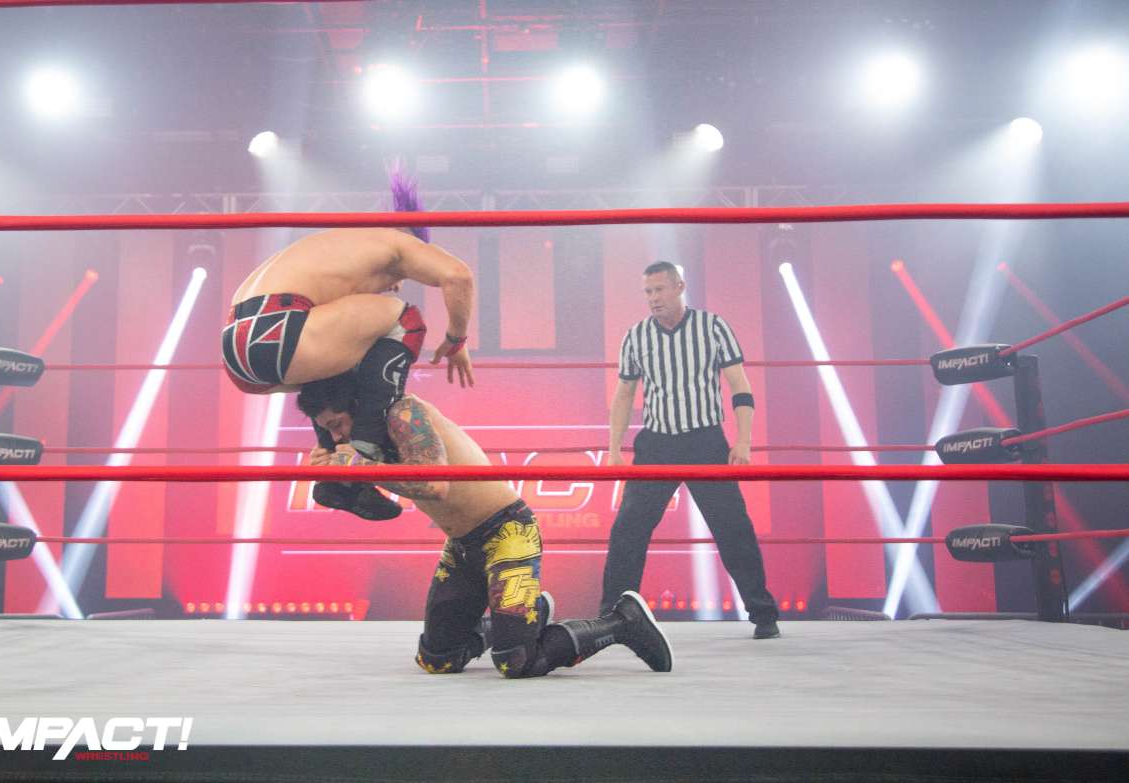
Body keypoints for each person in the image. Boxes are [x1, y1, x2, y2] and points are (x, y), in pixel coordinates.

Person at [296, 372, 674, 678]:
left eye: (337, 424)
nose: (337, 436)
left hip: (507, 532)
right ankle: (526, 616)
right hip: (462, 547)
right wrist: (337, 478)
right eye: (327, 429)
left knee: (517, 661)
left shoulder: (404, 412)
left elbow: (435, 485)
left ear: (358, 406)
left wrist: (359, 468)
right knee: (437, 660)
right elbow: (384, 510)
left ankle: (622, 621)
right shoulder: (370, 439)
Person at [222, 171, 475, 519]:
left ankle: (332, 462)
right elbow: (458, 275)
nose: (396, 283)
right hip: (281, 330)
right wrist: (456, 339)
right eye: (402, 276)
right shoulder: (398, 244)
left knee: (351, 363)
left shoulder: (340, 246)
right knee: (406, 320)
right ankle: (364, 453)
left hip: (240, 358)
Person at [602, 260, 780, 640]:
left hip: (705, 441)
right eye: (648, 292)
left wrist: (743, 441)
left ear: (679, 287)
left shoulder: (712, 327)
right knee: (628, 529)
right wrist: (614, 447)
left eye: (659, 290)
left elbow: (739, 385)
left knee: (733, 528)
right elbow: (624, 393)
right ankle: (611, 618)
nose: (653, 298)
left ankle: (763, 613)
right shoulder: (636, 336)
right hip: (656, 443)